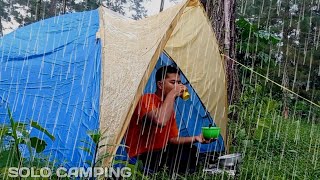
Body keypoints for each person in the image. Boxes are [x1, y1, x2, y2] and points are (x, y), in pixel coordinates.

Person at [125, 65, 214, 176]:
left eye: (179, 83)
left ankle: (185, 173)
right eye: (173, 83)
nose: (178, 86)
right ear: (160, 85)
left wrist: (196, 138)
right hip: (142, 156)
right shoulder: (146, 99)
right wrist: (173, 94)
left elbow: (172, 139)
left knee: (190, 150)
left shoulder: (168, 108)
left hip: (160, 152)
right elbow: (160, 121)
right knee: (179, 156)